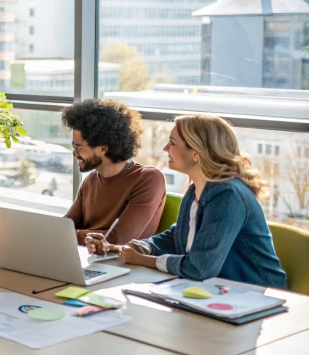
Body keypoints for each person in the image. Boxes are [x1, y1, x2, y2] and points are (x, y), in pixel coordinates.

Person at [87, 115, 287, 288]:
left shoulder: (228, 196)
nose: (166, 149)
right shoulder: (196, 189)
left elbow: (200, 268)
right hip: (215, 290)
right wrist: (139, 246)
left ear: (196, 153)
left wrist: (144, 260)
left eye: (172, 143)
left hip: (256, 295)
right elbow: (177, 235)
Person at [62, 98, 166, 245]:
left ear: (102, 149)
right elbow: (64, 226)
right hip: (88, 258)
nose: (74, 153)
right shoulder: (91, 179)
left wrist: (70, 235)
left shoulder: (149, 178)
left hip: (123, 264)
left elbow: (118, 239)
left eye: (77, 147)